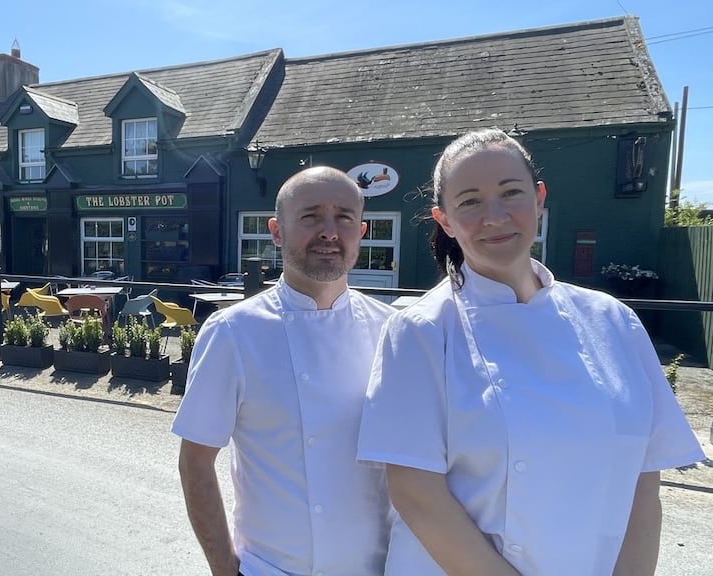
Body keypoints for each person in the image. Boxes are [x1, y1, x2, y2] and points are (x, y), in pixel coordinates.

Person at [356, 128, 705, 575]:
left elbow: (643, 479)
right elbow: (416, 493)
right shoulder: (422, 329)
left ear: (539, 199)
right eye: (470, 202)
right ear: (444, 219)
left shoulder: (612, 321)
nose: (495, 216)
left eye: (510, 192)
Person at [172, 166, 396, 576]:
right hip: (269, 568)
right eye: (310, 216)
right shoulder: (233, 333)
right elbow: (196, 462)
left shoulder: (393, 331)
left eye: (344, 217)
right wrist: (224, 568)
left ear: (360, 232)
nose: (329, 231)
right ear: (276, 231)